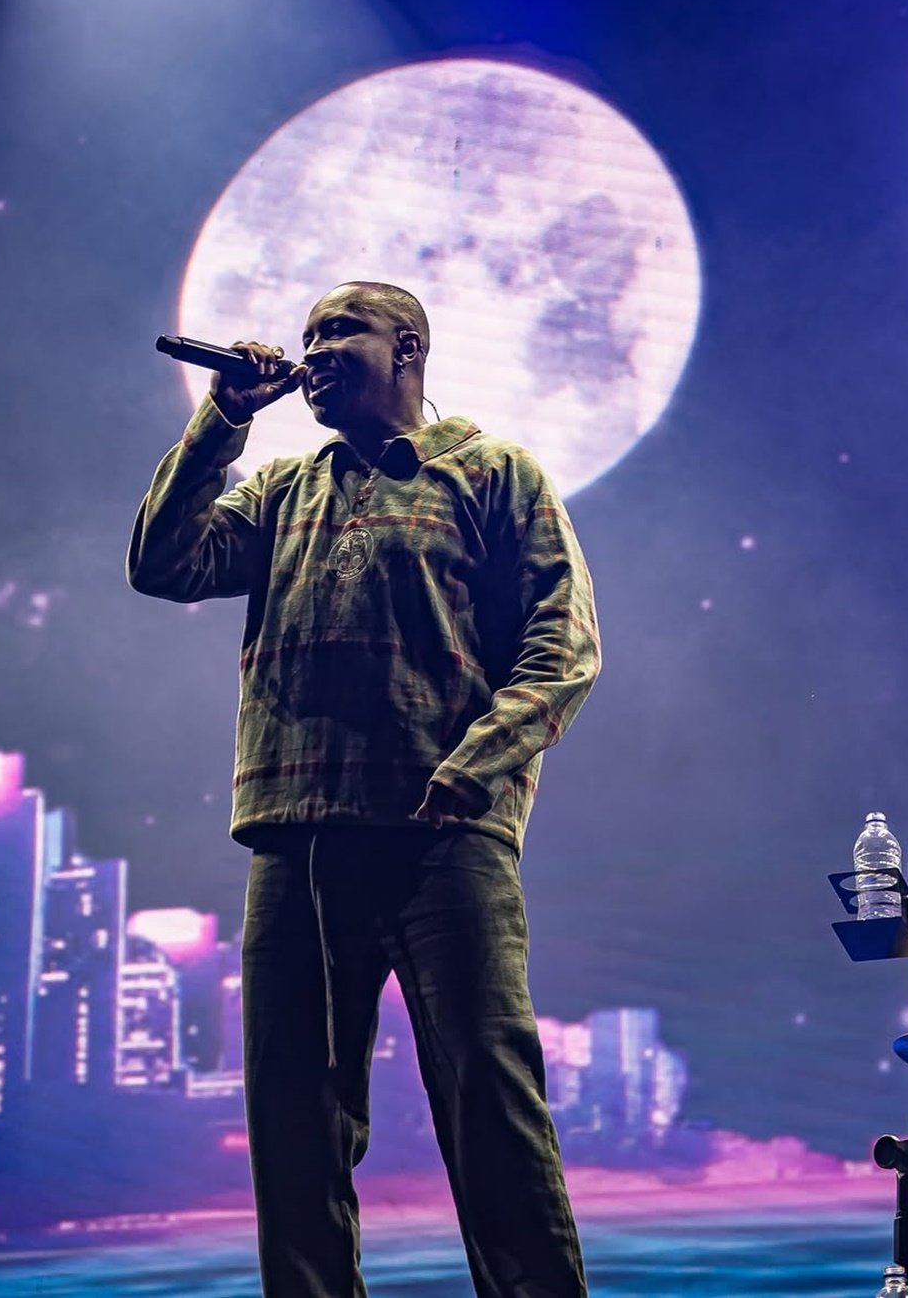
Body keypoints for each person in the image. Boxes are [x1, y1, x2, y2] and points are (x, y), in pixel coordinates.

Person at [127, 280, 601, 1298]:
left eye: (341, 329)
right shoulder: (282, 489)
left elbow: (563, 647)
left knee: (490, 1100)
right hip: (295, 835)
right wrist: (222, 421)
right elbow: (164, 564)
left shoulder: (492, 472)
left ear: (409, 348)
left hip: (443, 835)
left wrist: (474, 769)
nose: (314, 350)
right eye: (308, 334)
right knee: (295, 1121)